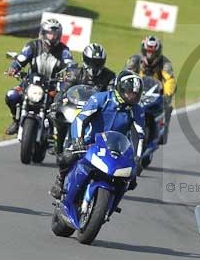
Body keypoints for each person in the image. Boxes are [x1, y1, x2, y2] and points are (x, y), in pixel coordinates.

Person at [50, 70, 145, 199]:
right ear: (120, 88)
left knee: (131, 179)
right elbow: (80, 119)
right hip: (91, 142)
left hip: (116, 148)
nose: (132, 97)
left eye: (135, 94)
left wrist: (137, 157)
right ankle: (60, 180)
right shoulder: (101, 98)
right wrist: (78, 140)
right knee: (66, 157)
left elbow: (139, 135)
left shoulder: (137, 110)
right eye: (129, 92)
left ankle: (111, 201)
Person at [4, 18, 74, 135]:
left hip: (52, 86)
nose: (52, 37)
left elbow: (69, 64)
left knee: (62, 105)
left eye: (55, 34)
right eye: (50, 33)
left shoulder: (64, 51)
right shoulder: (33, 45)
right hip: (30, 83)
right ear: (43, 33)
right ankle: (16, 121)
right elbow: (22, 58)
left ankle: (58, 134)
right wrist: (14, 68)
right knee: (12, 95)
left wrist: (71, 74)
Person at [52, 43, 115, 154]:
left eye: (98, 63)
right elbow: (64, 90)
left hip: (97, 110)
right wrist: (57, 102)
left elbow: (111, 94)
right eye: (92, 62)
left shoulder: (109, 76)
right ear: (85, 60)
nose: (95, 66)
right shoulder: (75, 73)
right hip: (77, 106)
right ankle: (58, 143)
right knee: (58, 117)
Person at [125, 35, 176, 143]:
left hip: (156, 94)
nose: (150, 55)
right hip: (136, 91)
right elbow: (126, 74)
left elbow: (169, 81)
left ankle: (162, 132)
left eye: (153, 52)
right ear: (143, 50)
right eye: (148, 51)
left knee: (167, 108)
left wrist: (167, 95)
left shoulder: (165, 63)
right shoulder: (134, 60)